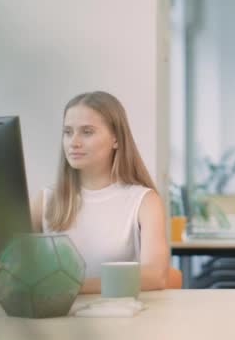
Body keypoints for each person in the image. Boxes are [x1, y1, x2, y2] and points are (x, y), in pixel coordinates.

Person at [30, 91, 169, 294]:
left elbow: (155, 275)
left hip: (121, 320)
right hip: (56, 319)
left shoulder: (145, 201)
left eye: (87, 132)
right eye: (68, 132)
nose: (74, 142)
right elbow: (14, 266)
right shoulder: (44, 200)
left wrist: (71, 287)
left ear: (116, 139)